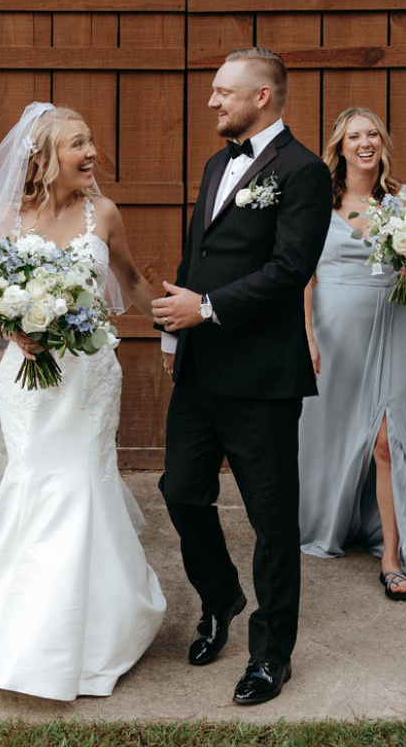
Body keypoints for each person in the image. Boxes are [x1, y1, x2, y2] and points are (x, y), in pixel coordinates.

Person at [0, 104, 166, 700]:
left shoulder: (106, 213)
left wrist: (178, 323)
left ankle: (98, 634)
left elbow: (132, 282)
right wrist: (13, 341)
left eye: (92, 140)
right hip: (28, 377)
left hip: (91, 376)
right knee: (34, 484)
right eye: (78, 143)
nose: (92, 152)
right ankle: (18, 632)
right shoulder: (5, 220)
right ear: (43, 158)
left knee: (82, 482)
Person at [153, 50, 330, 706]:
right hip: (201, 371)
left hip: (262, 377)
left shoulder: (305, 171)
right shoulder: (214, 165)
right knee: (180, 492)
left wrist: (203, 309)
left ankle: (269, 655)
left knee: (272, 520)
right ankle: (221, 593)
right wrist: (178, 324)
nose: (211, 102)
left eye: (223, 92)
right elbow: (201, 252)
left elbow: (289, 269)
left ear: (263, 96)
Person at [298, 107, 406, 601]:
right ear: (340, 146)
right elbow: (304, 274)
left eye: (372, 134)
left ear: (383, 144)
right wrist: (306, 335)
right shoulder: (318, 202)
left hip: (390, 325)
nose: (364, 143)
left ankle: (392, 555)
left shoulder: (405, 200)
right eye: (354, 136)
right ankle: (330, 519)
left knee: (386, 442)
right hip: (333, 332)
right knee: (330, 433)